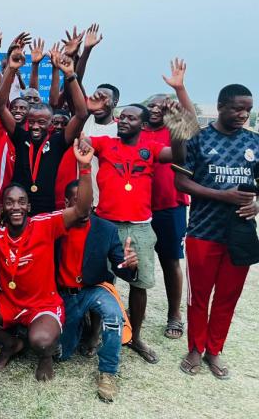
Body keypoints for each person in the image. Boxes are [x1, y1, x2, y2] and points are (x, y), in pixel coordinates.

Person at [0, 137, 94, 381]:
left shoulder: (45, 224)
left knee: (41, 341)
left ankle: (45, 357)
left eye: (21, 202)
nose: (16, 207)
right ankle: (10, 343)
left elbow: (81, 210)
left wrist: (85, 168)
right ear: (2, 207)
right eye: (10, 202)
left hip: (42, 305)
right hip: (8, 301)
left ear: (28, 207)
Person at [175, 84, 259, 379]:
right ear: (221, 106)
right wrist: (223, 196)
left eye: (247, 109)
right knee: (199, 296)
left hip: (240, 234)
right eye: (237, 108)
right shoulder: (198, 139)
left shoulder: (254, 142)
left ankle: (214, 350)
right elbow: (182, 183)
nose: (243, 114)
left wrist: (257, 205)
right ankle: (195, 348)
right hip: (203, 231)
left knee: (228, 297)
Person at [87, 104, 179, 364]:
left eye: (131, 118)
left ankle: (135, 336)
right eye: (122, 116)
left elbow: (179, 154)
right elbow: (78, 137)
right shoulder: (105, 143)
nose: (124, 121)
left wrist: (178, 122)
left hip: (139, 226)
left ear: (144, 123)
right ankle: (94, 333)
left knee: (139, 284)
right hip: (106, 225)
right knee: (102, 282)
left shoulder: (151, 148)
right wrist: (84, 108)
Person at [57, 180, 138, 402]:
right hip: (63, 294)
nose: (84, 206)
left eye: (88, 202)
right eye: (77, 201)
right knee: (62, 355)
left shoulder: (106, 229)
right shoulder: (55, 225)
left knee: (114, 316)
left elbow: (120, 265)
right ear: (66, 202)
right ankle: (81, 326)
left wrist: (129, 265)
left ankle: (108, 372)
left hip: (94, 289)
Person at [0, 46, 88, 215]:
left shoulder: (58, 141)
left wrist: (70, 75)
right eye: (32, 121)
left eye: (41, 122)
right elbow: (0, 107)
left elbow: (81, 114)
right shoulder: (20, 136)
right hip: (18, 209)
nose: (36, 126)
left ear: (51, 122)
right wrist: (11, 69)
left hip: (46, 212)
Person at [140, 58, 196, 340]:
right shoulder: (134, 130)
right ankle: (130, 315)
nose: (155, 110)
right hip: (137, 209)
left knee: (170, 261)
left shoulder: (174, 132)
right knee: (132, 262)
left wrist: (180, 90)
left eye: (162, 107)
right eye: (151, 105)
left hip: (170, 207)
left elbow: (191, 126)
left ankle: (175, 314)